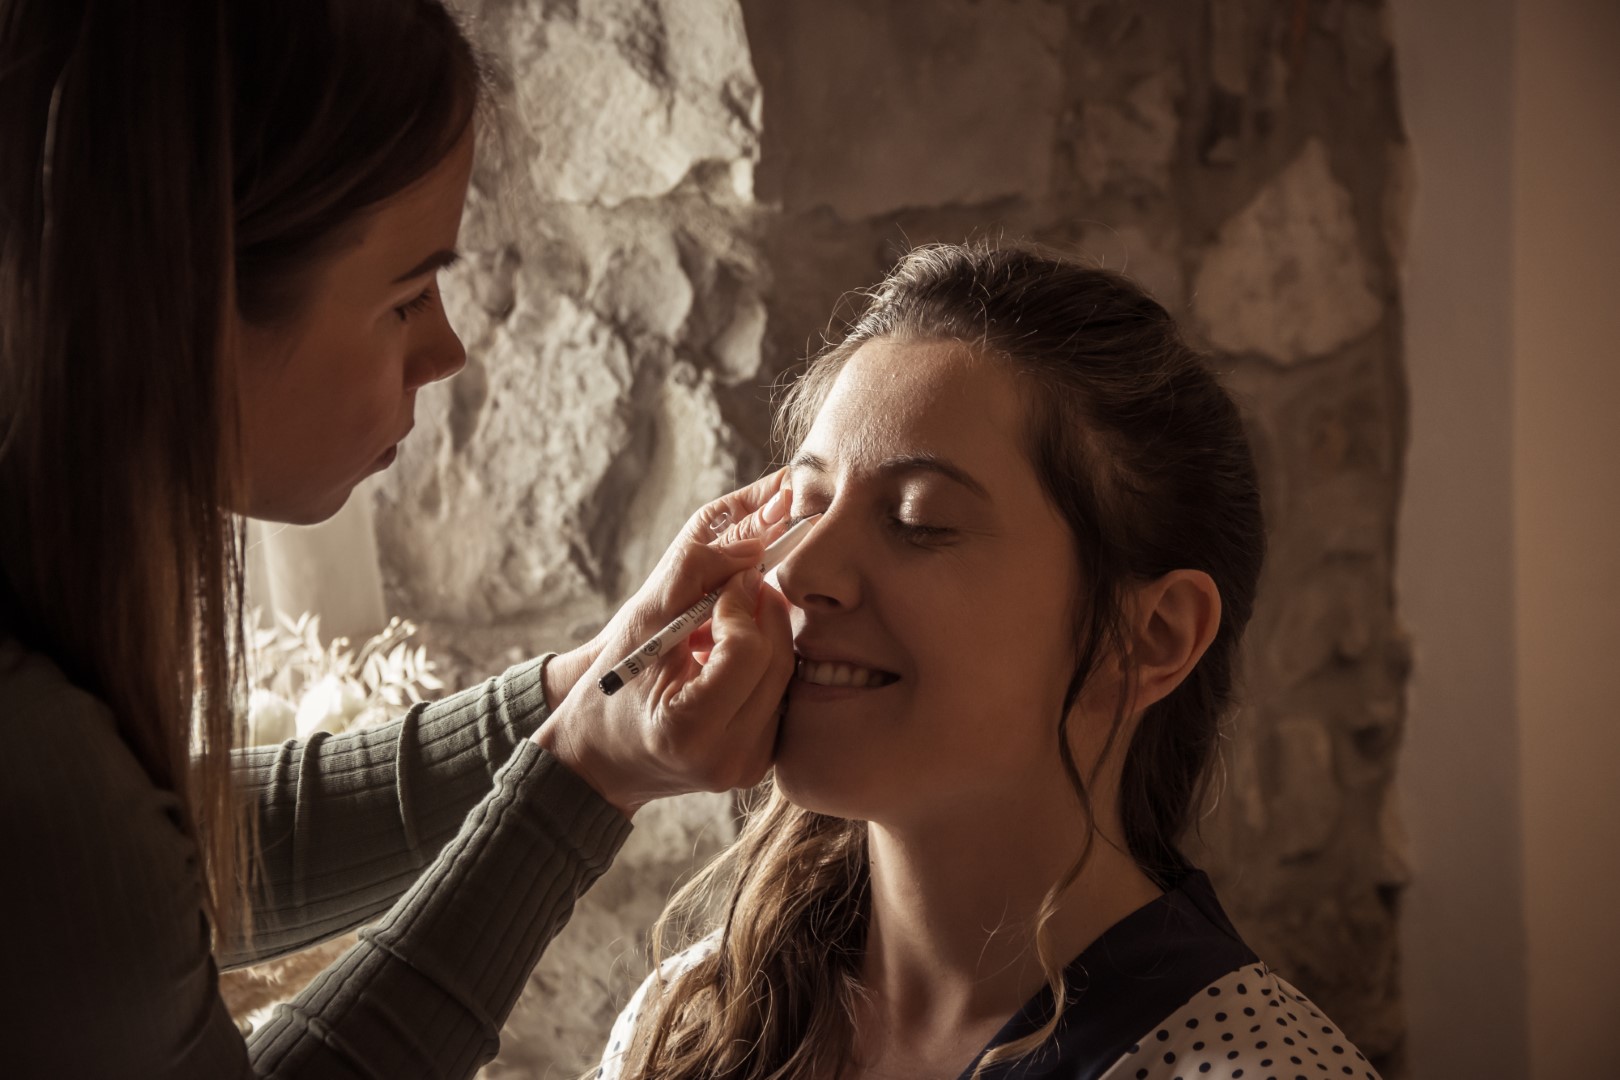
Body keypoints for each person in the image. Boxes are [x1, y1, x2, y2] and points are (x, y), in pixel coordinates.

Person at [0, 3, 797, 1076]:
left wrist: (583, 691)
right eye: (408, 292)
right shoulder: (34, 762)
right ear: (184, 302)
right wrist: (583, 784)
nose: (448, 349)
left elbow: (167, 865)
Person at [597, 245, 1384, 1080]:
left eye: (918, 519)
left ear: (1149, 638)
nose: (796, 574)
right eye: (810, 506)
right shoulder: (685, 1019)